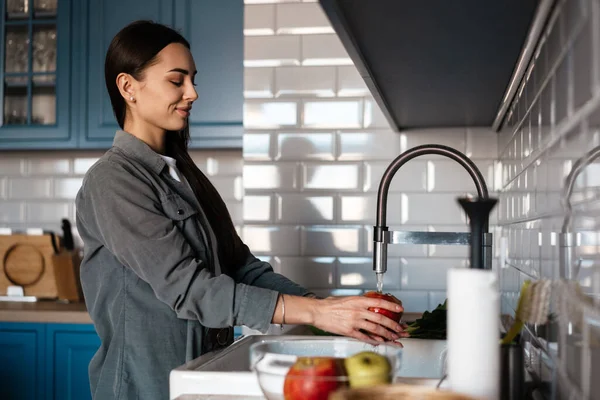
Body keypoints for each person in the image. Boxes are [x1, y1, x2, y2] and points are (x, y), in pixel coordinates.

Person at [75, 20, 407, 400]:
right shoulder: (114, 181)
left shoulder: (184, 176)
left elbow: (241, 267)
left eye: (194, 80)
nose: (193, 93)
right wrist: (316, 315)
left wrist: (326, 310)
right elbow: (190, 290)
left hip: (200, 376)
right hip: (143, 388)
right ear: (128, 87)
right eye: (177, 80)